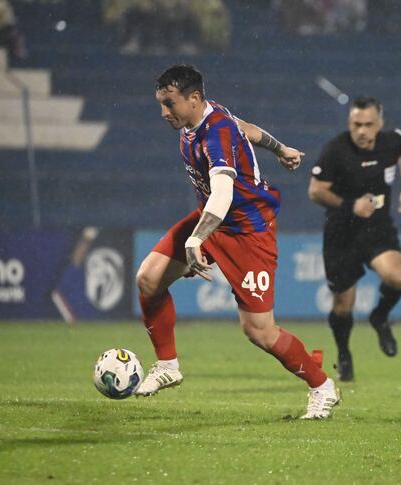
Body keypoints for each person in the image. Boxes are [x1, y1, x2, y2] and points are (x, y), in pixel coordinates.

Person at [134, 64, 341, 419]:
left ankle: (323, 386)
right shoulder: (207, 116)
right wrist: (281, 149)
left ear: (194, 98)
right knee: (148, 279)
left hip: (248, 230)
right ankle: (168, 365)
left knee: (260, 331)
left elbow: (223, 193)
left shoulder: (215, 133)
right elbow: (248, 129)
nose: (164, 112)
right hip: (213, 222)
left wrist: (196, 239)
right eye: (161, 104)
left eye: (169, 104)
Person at [308, 96, 401, 382]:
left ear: (379, 123)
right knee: (343, 305)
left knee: (396, 276)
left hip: (376, 227)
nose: (362, 131)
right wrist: (350, 205)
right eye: (357, 124)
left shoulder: (391, 142)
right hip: (341, 233)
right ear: (349, 123)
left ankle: (380, 317)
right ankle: (344, 353)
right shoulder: (335, 150)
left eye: (369, 124)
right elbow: (316, 191)